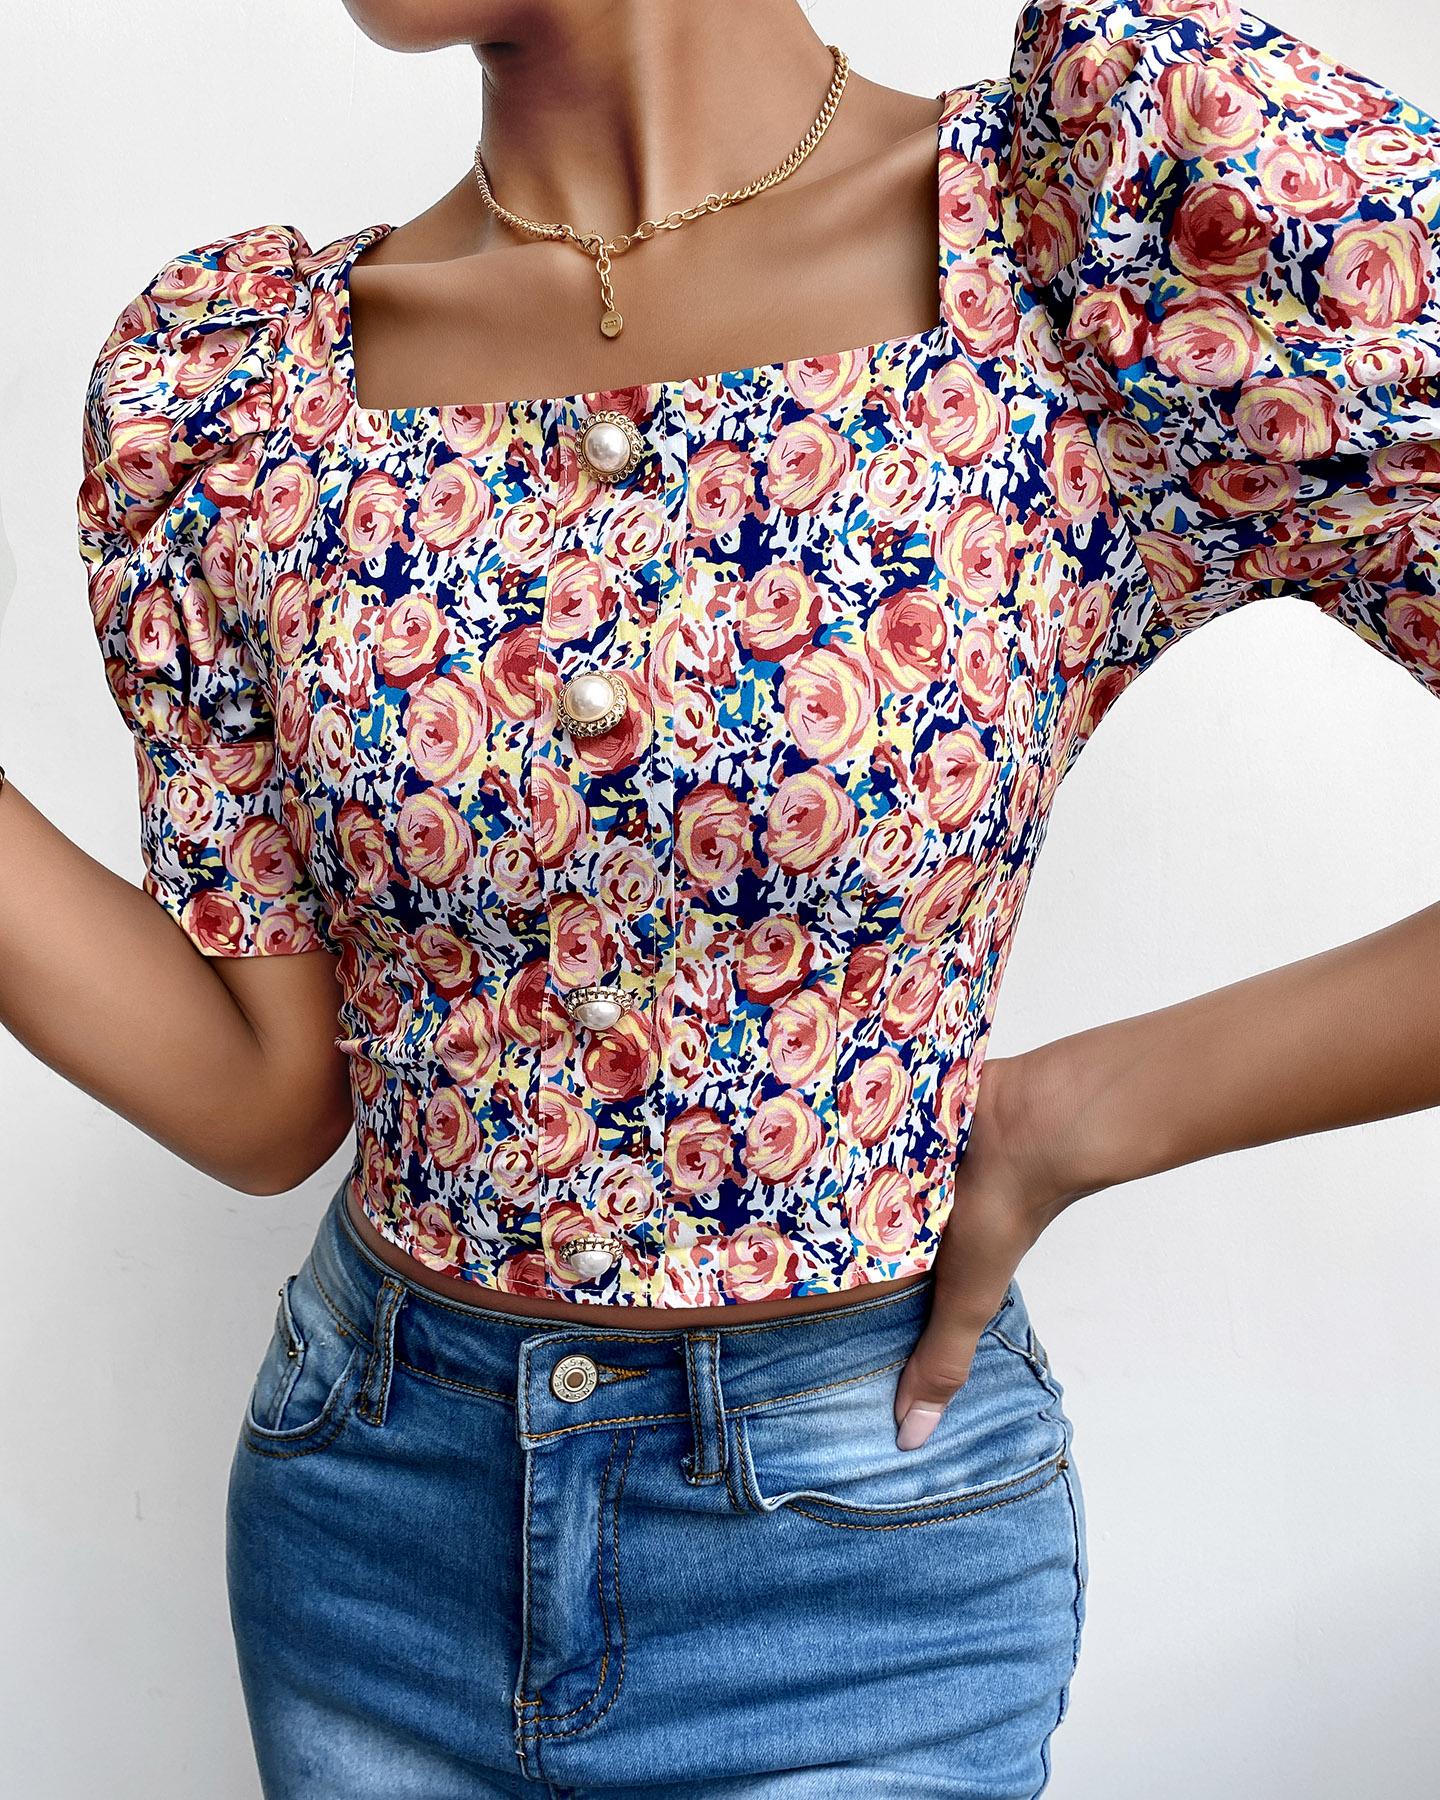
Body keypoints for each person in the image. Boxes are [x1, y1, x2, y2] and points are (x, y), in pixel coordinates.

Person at [3, 0, 1439, 1792]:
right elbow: (264, 1100)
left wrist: (1087, 1112)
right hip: (373, 1536)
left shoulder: (1088, 240)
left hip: (859, 1581)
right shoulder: (243, 389)